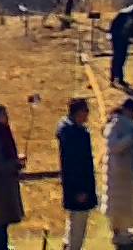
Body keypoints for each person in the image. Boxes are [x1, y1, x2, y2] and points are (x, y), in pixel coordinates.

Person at [0, 105, 26, 250]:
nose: (6, 117)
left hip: (7, 185)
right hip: (0, 187)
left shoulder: (3, 135)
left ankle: (2, 246)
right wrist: (15, 163)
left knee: (4, 221)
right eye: (3, 115)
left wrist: (17, 161)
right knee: (0, 221)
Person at [57, 98, 97, 250]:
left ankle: (69, 246)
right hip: (79, 186)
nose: (88, 114)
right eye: (85, 111)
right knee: (78, 225)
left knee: (74, 222)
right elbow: (74, 164)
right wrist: (80, 189)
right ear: (78, 112)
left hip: (76, 185)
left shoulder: (73, 132)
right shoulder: (74, 135)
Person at [103, 99, 133, 246]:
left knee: (129, 202)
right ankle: (119, 232)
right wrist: (130, 139)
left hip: (128, 169)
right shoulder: (115, 124)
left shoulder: (132, 124)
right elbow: (113, 146)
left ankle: (125, 229)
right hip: (117, 171)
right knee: (118, 203)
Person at [109, 2, 133, 86]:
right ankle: (114, 78)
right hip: (118, 38)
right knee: (118, 58)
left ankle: (119, 78)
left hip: (124, 39)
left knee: (122, 58)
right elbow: (119, 28)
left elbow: (132, 29)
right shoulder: (125, 15)